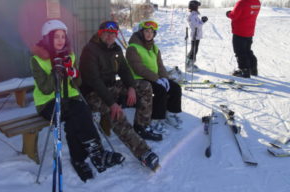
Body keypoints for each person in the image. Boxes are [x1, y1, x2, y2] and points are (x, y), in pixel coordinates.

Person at [30, 19, 124, 182]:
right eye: (56, 37)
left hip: (70, 99)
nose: (60, 40)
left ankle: (79, 159)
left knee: (78, 115)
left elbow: (78, 83)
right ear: (47, 38)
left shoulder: (69, 55)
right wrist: (56, 72)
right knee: (78, 112)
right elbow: (45, 88)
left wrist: (72, 73)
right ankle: (97, 153)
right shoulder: (38, 59)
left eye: (63, 36)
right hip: (48, 103)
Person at [79, 20, 160, 172]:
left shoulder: (115, 49)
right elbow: (94, 81)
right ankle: (143, 152)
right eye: (107, 33)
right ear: (100, 33)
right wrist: (112, 103)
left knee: (144, 86)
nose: (110, 37)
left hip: (110, 87)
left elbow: (124, 70)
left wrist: (131, 87)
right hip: (93, 93)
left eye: (113, 34)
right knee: (116, 113)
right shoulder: (90, 50)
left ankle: (141, 125)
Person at [126, 20, 183, 133]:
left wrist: (165, 78)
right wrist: (157, 79)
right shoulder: (133, 47)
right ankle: (155, 120)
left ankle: (170, 113)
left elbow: (160, 65)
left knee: (175, 87)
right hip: (139, 78)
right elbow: (138, 68)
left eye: (152, 32)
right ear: (141, 32)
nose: (149, 34)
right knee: (160, 90)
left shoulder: (154, 48)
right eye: (147, 31)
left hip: (153, 77)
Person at [226, 0, 261, 78]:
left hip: (239, 31)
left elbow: (234, 15)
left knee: (240, 51)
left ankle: (244, 70)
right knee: (247, 50)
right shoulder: (257, 2)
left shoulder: (241, 2)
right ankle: (253, 69)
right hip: (249, 30)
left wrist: (228, 13)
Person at [185, 0, 208, 72]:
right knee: (194, 50)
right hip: (195, 35)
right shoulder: (192, 16)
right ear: (194, 7)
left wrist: (202, 21)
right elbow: (195, 25)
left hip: (196, 35)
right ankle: (188, 65)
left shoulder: (194, 15)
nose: (198, 7)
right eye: (197, 6)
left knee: (194, 49)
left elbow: (197, 24)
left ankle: (190, 63)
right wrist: (202, 21)